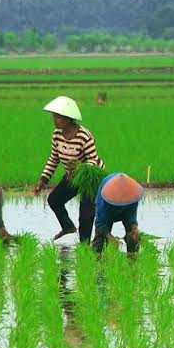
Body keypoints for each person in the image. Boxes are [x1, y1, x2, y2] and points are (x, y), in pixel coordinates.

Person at [33, 96, 105, 244]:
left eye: (57, 117)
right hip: (72, 176)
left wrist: (79, 168)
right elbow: (54, 159)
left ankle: (84, 246)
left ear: (67, 119)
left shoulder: (83, 135)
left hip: (89, 179)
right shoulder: (57, 135)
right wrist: (43, 180)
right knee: (54, 200)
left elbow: (93, 159)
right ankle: (68, 226)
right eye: (54, 117)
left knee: (86, 214)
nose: (54, 120)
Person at [93, 173, 144, 253]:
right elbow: (101, 223)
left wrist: (135, 229)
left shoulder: (132, 197)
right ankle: (97, 261)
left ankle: (132, 259)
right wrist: (111, 238)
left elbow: (131, 219)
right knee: (100, 240)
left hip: (127, 209)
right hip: (108, 209)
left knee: (133, 238)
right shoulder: (105, 199)